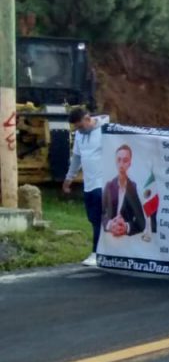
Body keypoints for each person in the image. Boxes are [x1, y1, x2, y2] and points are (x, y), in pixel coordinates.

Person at [63, 108, 105, 266]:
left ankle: (96, 252)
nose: (79, 130)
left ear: (88, 119)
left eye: (80, 126)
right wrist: (69, 178)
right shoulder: (80, 135)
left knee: (98, 219)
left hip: (102, 183)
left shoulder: (105, 131)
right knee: (93, 218)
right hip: (89, 183)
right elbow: (77, 158)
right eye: (76, 128)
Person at [101, 144, 147, 239]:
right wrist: (110, 225)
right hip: (109, 238)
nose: (121, 164)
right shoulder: (109, 186)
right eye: (119, 160)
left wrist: (125, 227)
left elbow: (141, 222)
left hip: (127, 241)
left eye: (125, 160)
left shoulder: (133, 188)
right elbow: (100, 213)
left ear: (130, 163)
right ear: (115, 161)